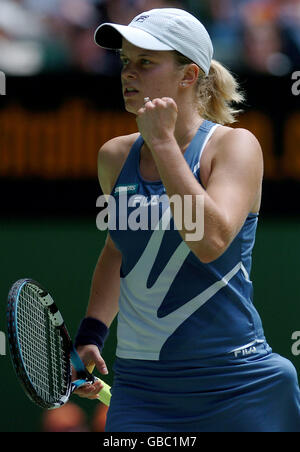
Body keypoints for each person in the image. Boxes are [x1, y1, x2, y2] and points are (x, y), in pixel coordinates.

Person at [74, 8, 300, 432]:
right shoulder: (114, 157)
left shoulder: (235, 147)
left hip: (240, 386)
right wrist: (92, 333)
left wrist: (162, 142)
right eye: (125, 61)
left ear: (189, 75)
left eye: (145, 62)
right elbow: (117, 250)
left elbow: (209, 240)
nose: (128, 73)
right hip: (141, 391)